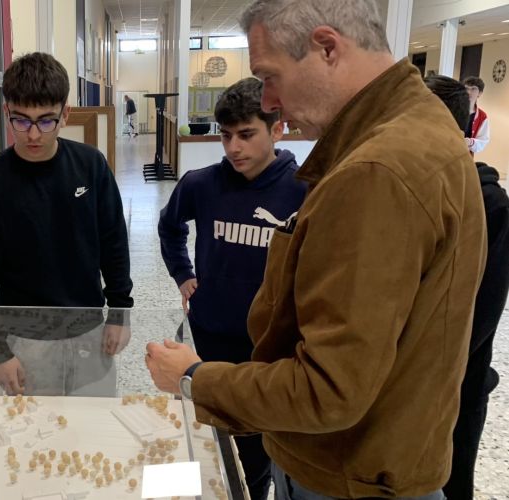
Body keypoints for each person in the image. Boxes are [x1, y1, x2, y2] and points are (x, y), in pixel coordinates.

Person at [144, 1, 486, 498]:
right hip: (378, 457)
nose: (269, 98)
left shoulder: (377, 170)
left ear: (327, 47)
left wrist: (194, 379)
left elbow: (328, 389)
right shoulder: (422, 130)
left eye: (270, 76)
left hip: (348, 472)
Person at [157, 77, 306, 500]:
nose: (234, 148)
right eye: (226, 136)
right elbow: (170, 226)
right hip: (209, 332)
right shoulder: (201, 184)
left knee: (256, 449)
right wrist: (183, 272)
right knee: (202, 433)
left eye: (246, 134)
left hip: (267, 345)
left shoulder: (304, 189)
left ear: (277, 130)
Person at [0, 52, 133, 395]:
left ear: (65, 115)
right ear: (7, 113)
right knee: (32, 428)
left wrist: (119, 312)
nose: (33, 134)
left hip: (89, 331)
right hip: (24, 341)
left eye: (46, 121)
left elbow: (113, 242)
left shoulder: (91, 166)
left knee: (94, 422)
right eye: (21, 121)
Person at [425, 75, 509, 500]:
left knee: (449, 481)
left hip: (455, 385)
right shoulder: (410, 189)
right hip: (400, 389)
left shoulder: (490, 204)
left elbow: (482, 314)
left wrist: (419, 370)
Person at [463, 76, 490, 155]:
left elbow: (483, 141)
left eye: (473, 89)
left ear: (480, 93)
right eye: (466, 88)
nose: (469, 92)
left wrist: (470, 142)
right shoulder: (453, 109)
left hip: (465, 156)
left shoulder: (482, 116)